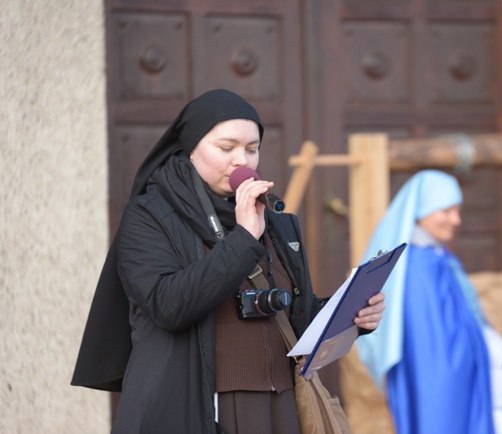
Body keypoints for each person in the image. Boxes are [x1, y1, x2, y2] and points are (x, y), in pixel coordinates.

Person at [71, 89, 385, 434]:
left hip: (280, 404)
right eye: (226, 148)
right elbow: (168, 306)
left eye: (252, 149)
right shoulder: (150, 215)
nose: (243, 161)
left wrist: (352, 316)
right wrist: (243, 239)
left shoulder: (275, 221)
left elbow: (293, 316)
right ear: (190, 149)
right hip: (199, 406)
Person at [355, 170, 502, 434]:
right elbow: (444, 342)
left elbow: (466, 325)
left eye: (458, 211)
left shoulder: (437, 258)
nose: (456, 220)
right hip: (448, 379)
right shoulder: (418, 267)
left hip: (463, 368)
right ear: (422, 210)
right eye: (445, 211)